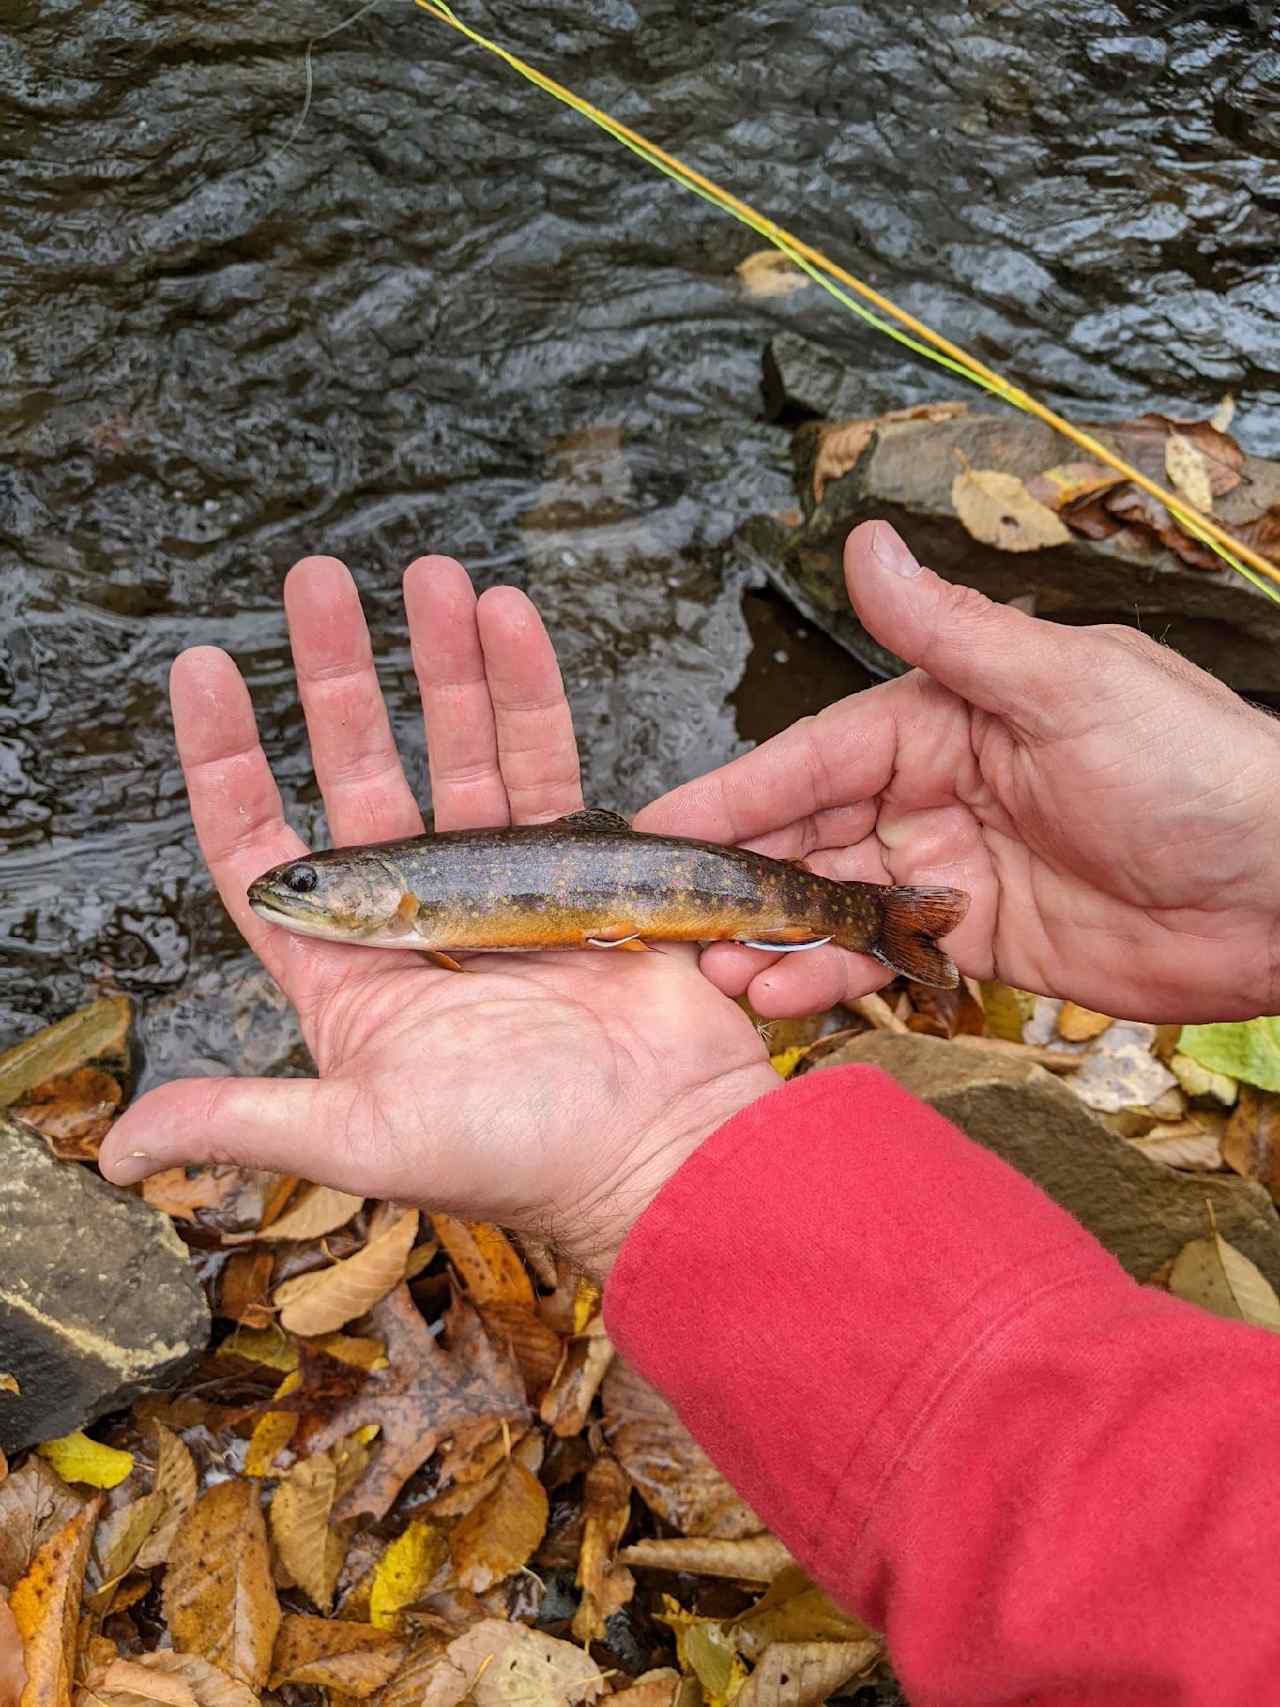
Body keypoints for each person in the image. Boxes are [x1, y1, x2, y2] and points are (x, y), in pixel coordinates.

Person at [101, 521, 1280, 1705]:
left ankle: (862, 914)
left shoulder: (410, 898)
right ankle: (861, 915)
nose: (290, 894)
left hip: (684, 897)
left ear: (369, 895)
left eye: (307, 886)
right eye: (298, 888)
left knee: (778, 905)